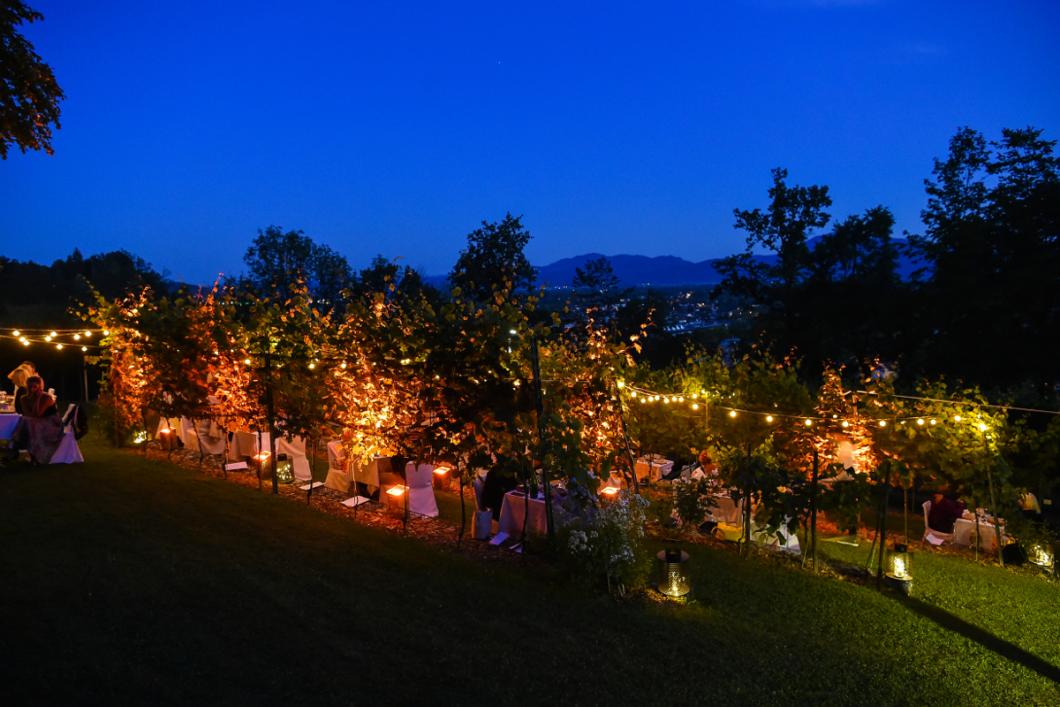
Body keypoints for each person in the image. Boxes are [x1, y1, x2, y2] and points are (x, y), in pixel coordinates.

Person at [12, 375, 63, 465]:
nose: (32, 388)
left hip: (52, 421)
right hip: (36, 420)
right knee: (25, 421)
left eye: (35, 386)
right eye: (30, 386)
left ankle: (34, 456)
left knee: (32, 424)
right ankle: (27, 452)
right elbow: (27, 414)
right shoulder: (24, 398)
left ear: (40, 386)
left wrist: (39, 398)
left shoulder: (46, 397)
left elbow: (38, 413)